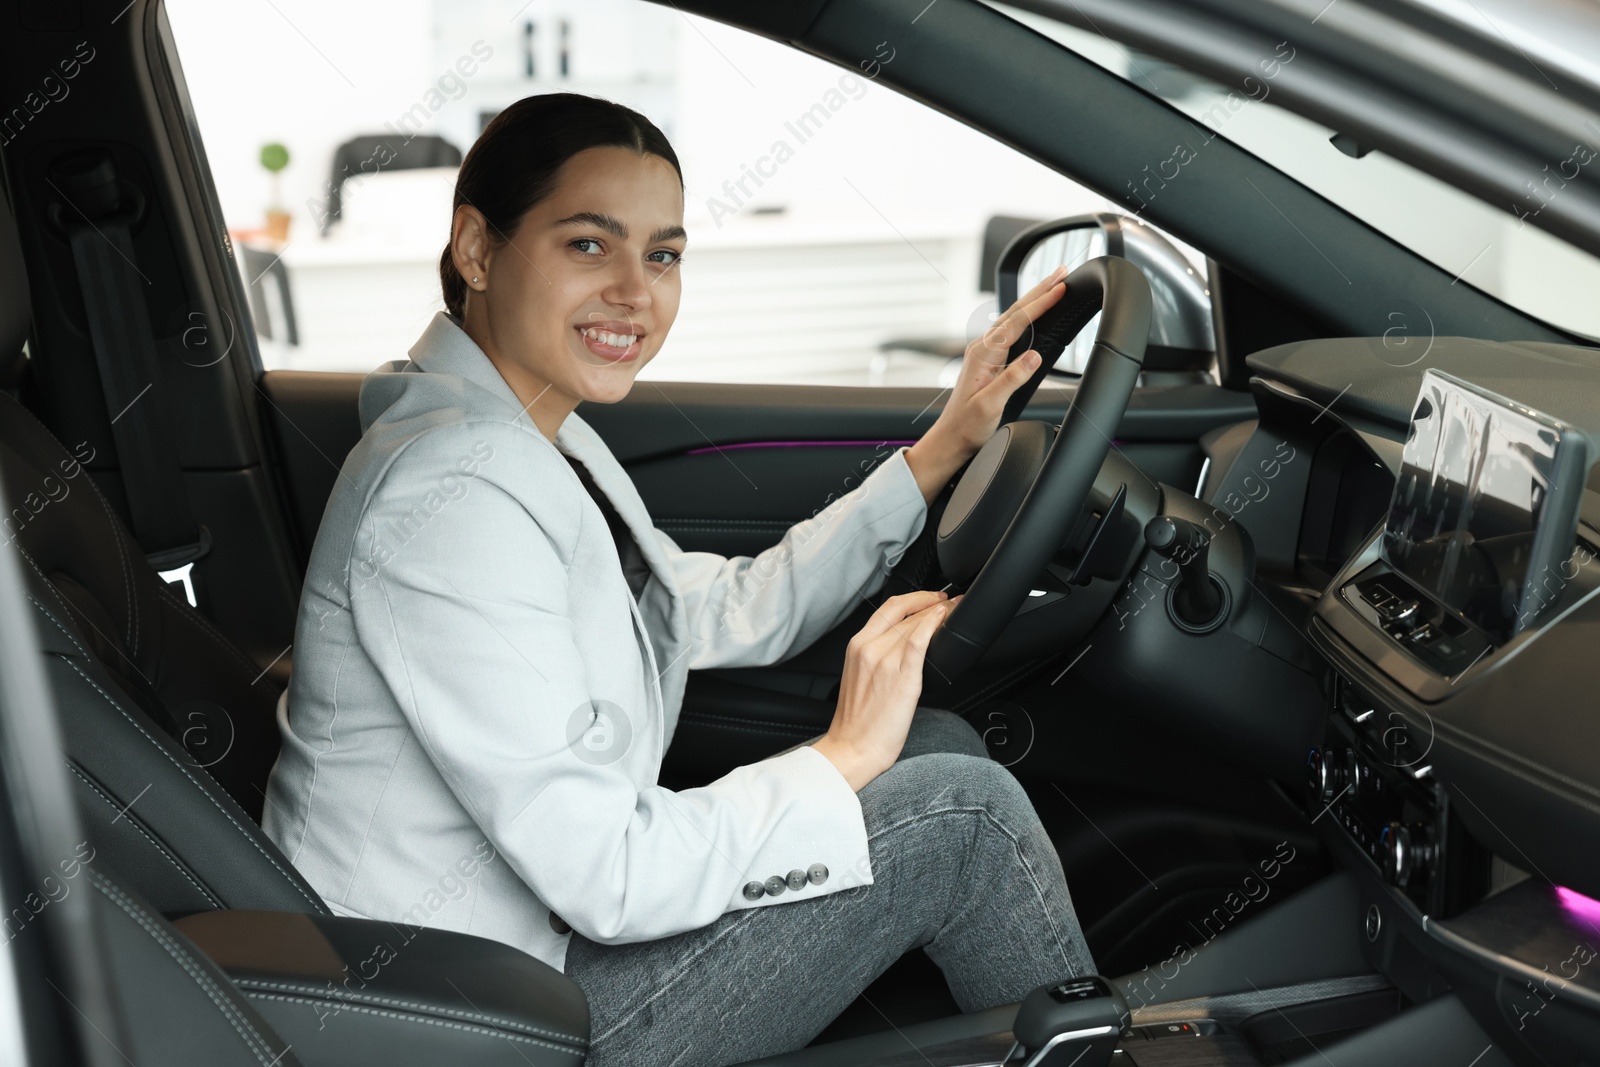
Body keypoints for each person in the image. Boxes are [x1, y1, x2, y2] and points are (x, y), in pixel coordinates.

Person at [263, 92, 1095, 1067]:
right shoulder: (455, 497)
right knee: (966, 820)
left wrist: (938, 452)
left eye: (661, 255)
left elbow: (692, 609)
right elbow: (604, 868)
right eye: (588, 245)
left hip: (520, 943)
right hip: (477, 1010)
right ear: (477, 248)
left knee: (933, 743)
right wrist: (838, 754)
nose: (634, 291)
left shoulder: (522, 428)